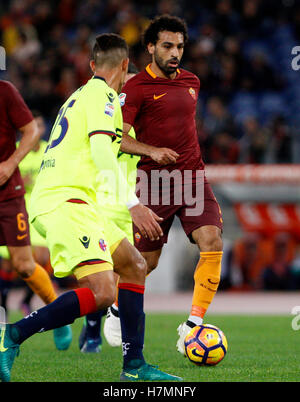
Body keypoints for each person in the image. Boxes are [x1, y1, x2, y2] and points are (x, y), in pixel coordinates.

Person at [0, 33, 181, 382]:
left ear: (93, 65)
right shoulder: (103, 97)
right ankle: (12, 337)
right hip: (64, 200)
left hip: (78, 200)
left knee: (134, 264)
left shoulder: (81, 94)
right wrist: (134, 205)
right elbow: (101, 153)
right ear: (126, 65)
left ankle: (134, 366)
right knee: (101, 293)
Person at [104, 15, 224, 355]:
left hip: (192, 178)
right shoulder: (136, 88)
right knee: (145, 264)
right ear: (151, 47)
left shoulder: (192, 82)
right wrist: (153, 151)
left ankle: (193, 325)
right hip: (155, 182)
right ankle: (113, 306)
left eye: (180, 47)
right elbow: (119, 139)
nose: (175, 53)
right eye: (168, 46)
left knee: (212, 240)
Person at [0, 80, 72, 350]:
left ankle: (58, 314)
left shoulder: (5, 91)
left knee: (25, 264)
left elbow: (30, 130)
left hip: (9, 195)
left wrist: (10, 163)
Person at [78, 63, 140, 353]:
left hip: (127, 206)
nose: (125, 90)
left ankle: (106, 331)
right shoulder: (103, 114)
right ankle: (92, 333)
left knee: (124, 274)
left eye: (131, 85)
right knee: (103, 273)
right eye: (123, 84)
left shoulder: (139, 121)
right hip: (101, 198)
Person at [0, 111, 51, 316]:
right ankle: (3, 304)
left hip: (40, 210)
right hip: (19, 208)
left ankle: (27, 300)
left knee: (44, 257)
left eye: (39, 126)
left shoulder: (50, 151)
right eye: (33, 126)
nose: (36, 130)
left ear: (44, 129)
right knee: (10, 262)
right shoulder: (17, 152)